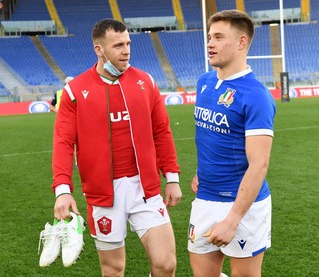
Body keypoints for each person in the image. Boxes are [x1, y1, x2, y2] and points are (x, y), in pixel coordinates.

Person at [52, 19, 182, 276]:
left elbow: (162, 132)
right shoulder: (75, 91)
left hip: (145, 188)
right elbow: (63, 143)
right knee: (114, 269)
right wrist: (62, 190)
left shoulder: (146, 82)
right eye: (118, 45)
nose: (126, 51)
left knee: (166, 264)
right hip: (103, 194)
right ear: (99, 50)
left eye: (128, 44)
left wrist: (172, 177)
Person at [188, 10, 276, 277]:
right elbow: (211, 137)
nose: (209, 43)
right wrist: (201, 171)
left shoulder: (256, 95)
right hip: (205, 198)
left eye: (218, 37)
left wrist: (232, 220)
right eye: (209, 36)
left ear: (241, 42)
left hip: (242, 207)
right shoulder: (204, 82)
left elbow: (259, 165)